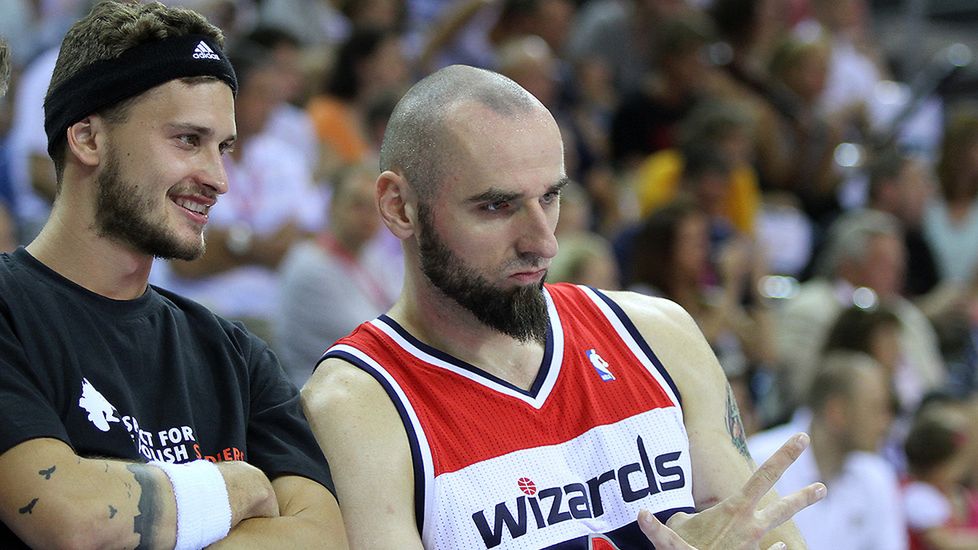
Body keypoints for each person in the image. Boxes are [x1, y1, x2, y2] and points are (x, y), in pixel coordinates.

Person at [301, 64, 824, 549]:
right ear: (400, 207)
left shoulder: (658, 333)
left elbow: (770, 539)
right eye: (497, 206)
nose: (543, 242)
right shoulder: (356, 405)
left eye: (550, 197)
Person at [0, 2, 347, 548]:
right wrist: (237, 487)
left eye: (224, 147)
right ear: (88, 138)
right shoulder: (9, 310)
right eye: (188, 139)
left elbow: (322, 537)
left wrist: (149, 520)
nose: (218, 178)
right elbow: (72, 518)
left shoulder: (235, 355)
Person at [749, 351, 907, 550]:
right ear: (837, 412)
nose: (886, 424)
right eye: (876, 409)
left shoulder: (877, 474)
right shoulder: (760, 458)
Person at [275, 163, 399, 387]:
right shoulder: (310, 266)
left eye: (374, 207)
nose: (367, 216)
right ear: (332, 206)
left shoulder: (371, 256)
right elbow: (369, 339)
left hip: (360, 381)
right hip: (320, 388)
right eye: (357, 205)